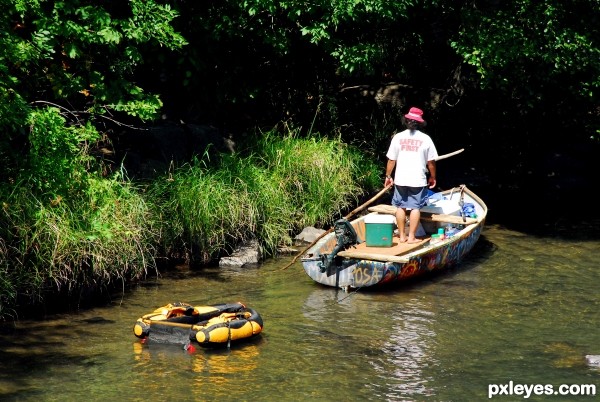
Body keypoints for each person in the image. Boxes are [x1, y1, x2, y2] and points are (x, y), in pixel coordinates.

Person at [384, 107, 438, 243]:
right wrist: (433, 177)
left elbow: (391, 159)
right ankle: (412, 237)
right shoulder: (426, 139)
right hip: (417, 180)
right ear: (420, 123)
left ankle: (402, 236)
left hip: (400, 179)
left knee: (400, 206)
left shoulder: (398, 137)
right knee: (415, 207)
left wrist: (388, 176)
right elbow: (431, 162)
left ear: (407, 120)